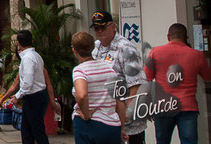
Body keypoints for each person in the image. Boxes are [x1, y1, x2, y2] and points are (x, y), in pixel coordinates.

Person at [145, 23, 211, 144]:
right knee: (189, 141)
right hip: (187, 106)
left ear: (168, 36)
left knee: (162, 141)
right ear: (186, 37)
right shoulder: (196, 55)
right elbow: (207, 77)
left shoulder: (155, 52)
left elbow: (148, 77)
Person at [90, 10, 147, 144]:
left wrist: (127, 113)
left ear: (112, 26)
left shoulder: (126, 49)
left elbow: (136, 84)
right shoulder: (96, 47)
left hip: (125, 116)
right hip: (105, 116)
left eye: (102, 27)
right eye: (96, 28)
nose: (99, 31)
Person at [70, 32, 126, 144]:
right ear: (92, 48)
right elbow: (119, 101)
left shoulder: (80, 70)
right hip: (112, 125)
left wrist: (86, 115)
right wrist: (122, 127)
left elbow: (82, 95)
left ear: (74, 51)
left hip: (89, 126)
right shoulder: (109, 69)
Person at [11, 30, 49, 144]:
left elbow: (27, 82)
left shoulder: (28, 58)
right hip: (35, 96)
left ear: (18, 43)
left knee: (37, 131)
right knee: (27, 130)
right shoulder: (35, 56)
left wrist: (17, 96)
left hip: (33, 97)